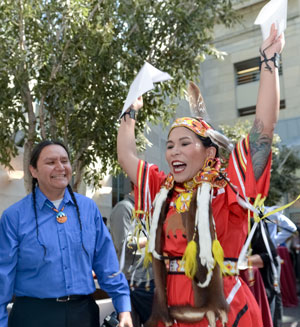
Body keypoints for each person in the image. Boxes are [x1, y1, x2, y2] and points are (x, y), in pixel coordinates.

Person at [117, 23, 284, 327]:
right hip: (170, 313)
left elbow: (262, 133)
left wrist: (269, 61)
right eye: (169, 146)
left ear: (209, 153)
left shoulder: (228, 187)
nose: (173, 152)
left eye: (184, 144)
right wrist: (130, 109)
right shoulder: (163, 189)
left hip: (223, 311)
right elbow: (127, 156)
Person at [0, 140, 133, 327]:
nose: (60, 167)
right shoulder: (14, 217)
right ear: (33, 171)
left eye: (64, 160)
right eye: (51, 162)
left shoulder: (88, 209)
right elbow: (2, 278)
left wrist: (124, 308)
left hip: (83, 314)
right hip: (33, 316)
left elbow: (107, 266)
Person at [109, 181, 154, 326]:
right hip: (133, 282)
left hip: (148, 280)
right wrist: (152, 240)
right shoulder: (124, 208)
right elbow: (123, 245)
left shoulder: (146, 211)